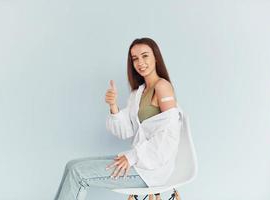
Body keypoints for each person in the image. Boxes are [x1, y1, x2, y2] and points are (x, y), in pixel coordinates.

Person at [54, 37, 184, 200]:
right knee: (71, 165)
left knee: (77, 173)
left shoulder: (162, 87)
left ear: (156, 58)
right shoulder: (138, 93)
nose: (140, 62)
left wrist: (132, 157)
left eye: (145, 56)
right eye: (135, 59)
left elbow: (168, 136)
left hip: (151, 170)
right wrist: (113, 106)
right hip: (139, 162)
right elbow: (126, 131)